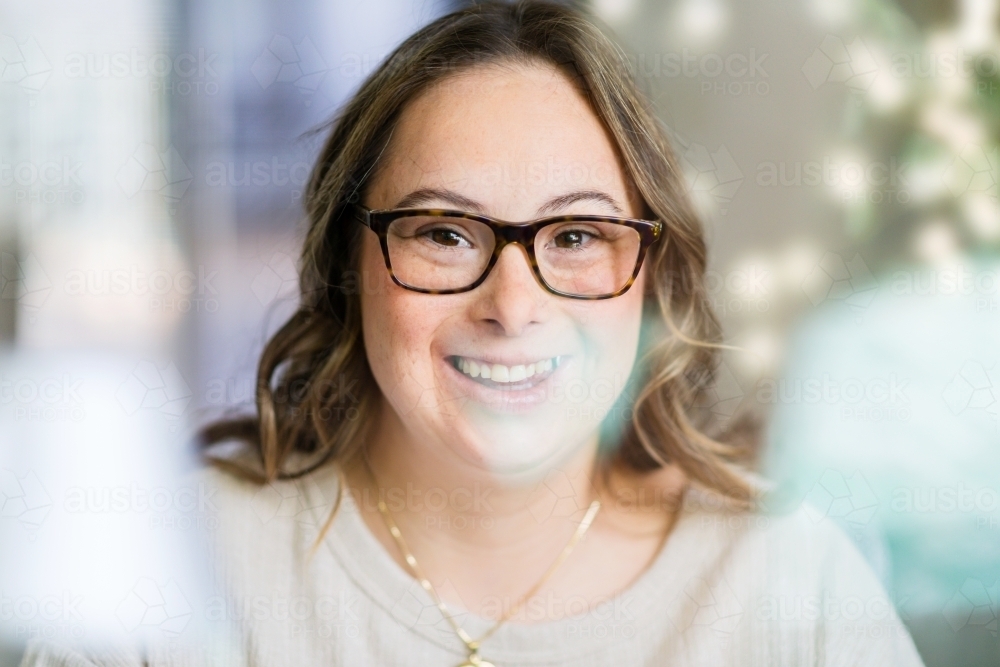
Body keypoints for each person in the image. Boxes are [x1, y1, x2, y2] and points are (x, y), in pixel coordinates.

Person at [22, 1, 925, 665]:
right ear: (350, 260)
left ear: (651, 276)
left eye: (576, 236)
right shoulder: (168, 570)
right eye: (445, 232)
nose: (513, 303)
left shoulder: (788, 585)